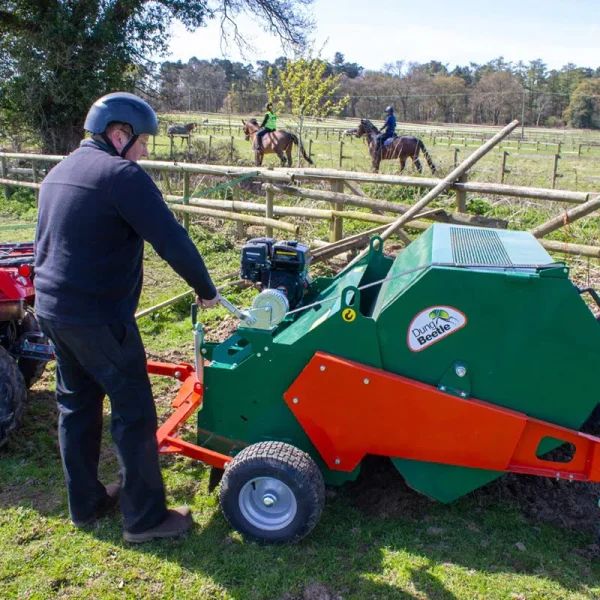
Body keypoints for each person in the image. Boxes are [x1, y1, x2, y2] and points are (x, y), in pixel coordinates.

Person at [34, 92, 220, 543]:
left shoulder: (58, 172)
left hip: (52, 311)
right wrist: (206, 289)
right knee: (134, 412)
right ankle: (145, 519)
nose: (144, 152)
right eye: (141, 142)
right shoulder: (121, 175)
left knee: (76, 406)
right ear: (119, 133)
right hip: (99, 318)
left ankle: (87, 504)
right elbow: (170, 238)